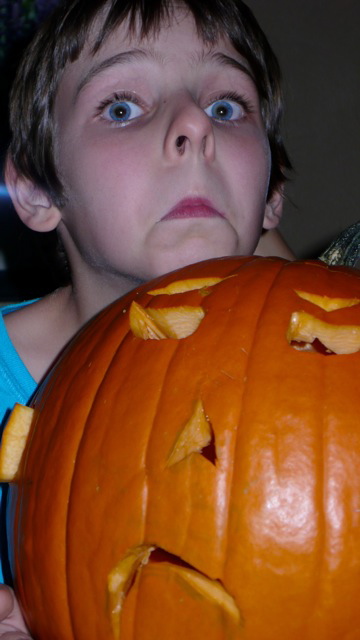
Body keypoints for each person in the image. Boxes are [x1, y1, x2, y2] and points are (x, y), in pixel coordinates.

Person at [0, 0, 292, 635]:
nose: (195, 124)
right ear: (38, 191)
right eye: (122, 108)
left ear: (272, 196)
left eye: (226, 108)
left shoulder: (323, 366)